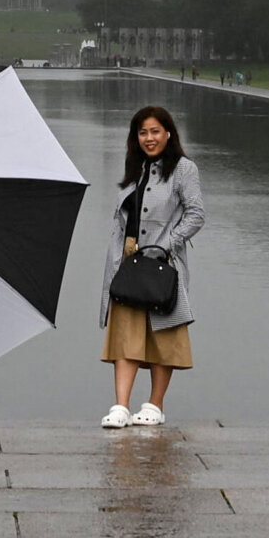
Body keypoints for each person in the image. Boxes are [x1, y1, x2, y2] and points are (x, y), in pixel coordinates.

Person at [100, 105, 205, 428]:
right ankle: (121, 406)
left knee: (164, 336)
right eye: (143, 132)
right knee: (126, 336)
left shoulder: (183, 169)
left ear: (168, 133)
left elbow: (196, 214)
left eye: (155, 131)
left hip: (163, 266)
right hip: (128, 264)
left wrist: (167, 245)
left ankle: (155, 405)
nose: (149, 138)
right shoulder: (135, 167)